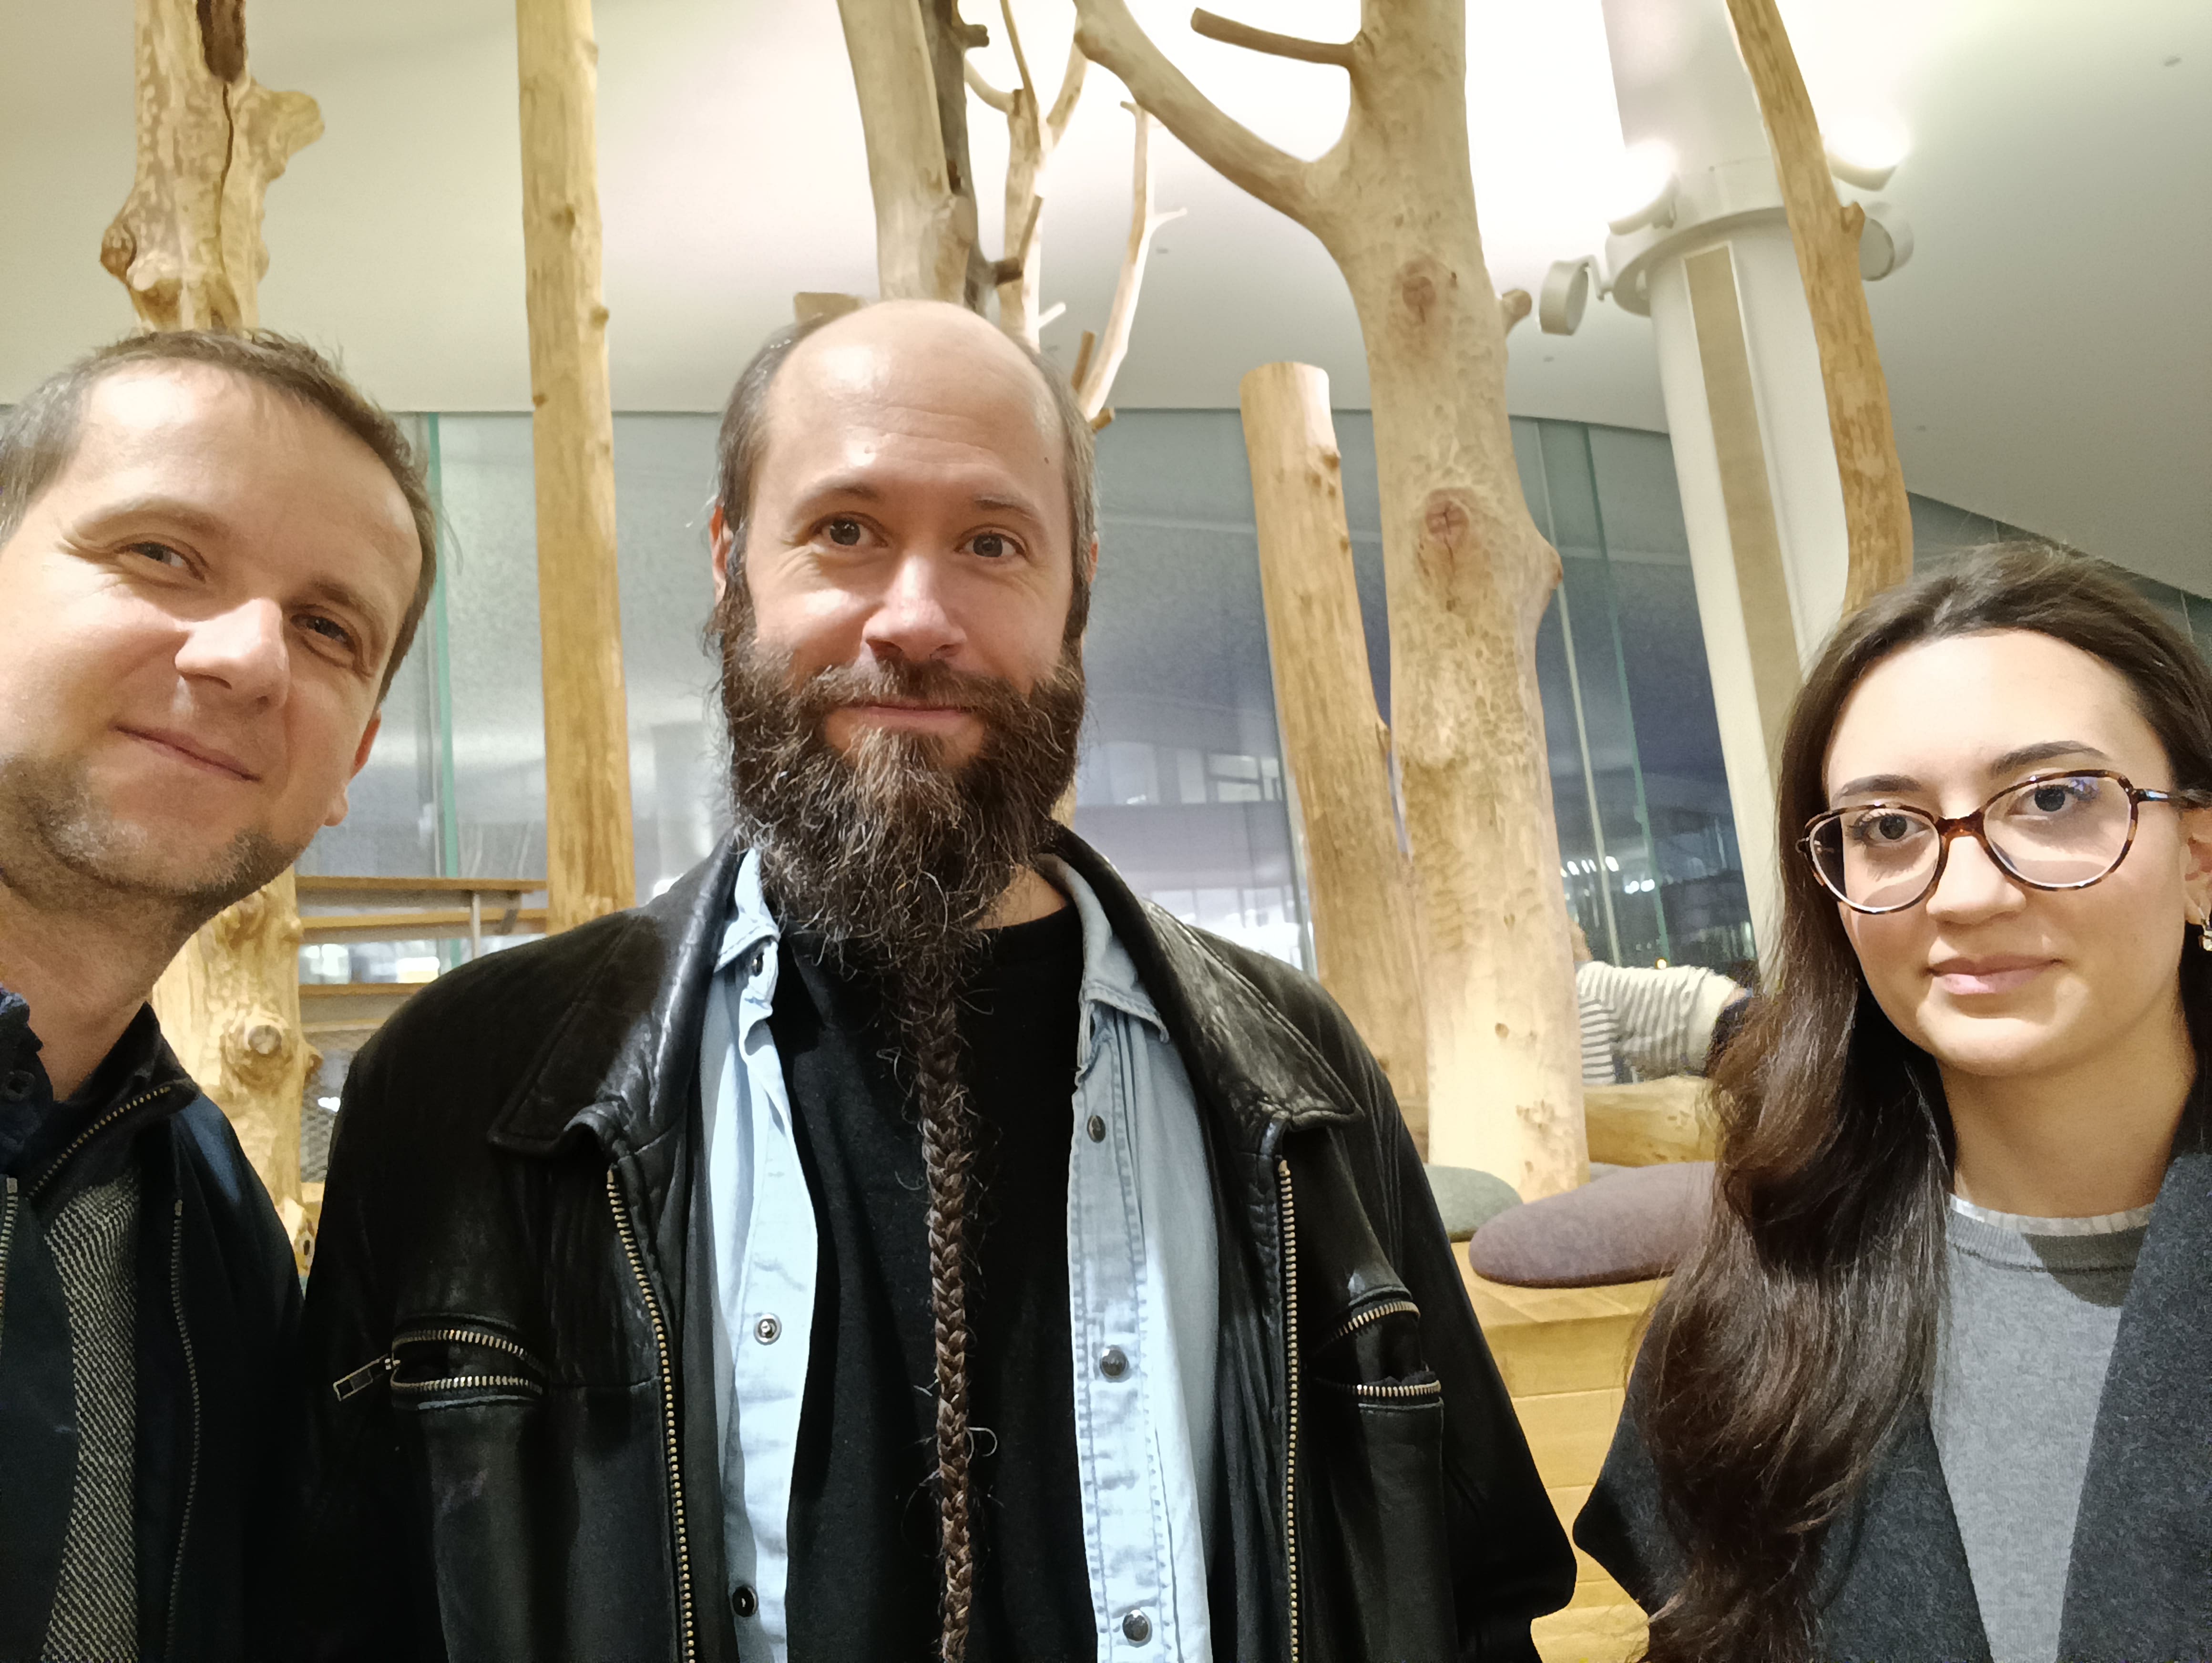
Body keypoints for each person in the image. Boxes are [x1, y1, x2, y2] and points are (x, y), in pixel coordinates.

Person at [297, 299, 1572, 1663]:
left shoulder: (1292, 1068)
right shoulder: (462, 1089)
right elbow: (341, 1608)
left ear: (1076, 591)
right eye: (844, 530)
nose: (915, 619)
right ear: (730, 565)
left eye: (990, 543)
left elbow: (1464, 1594)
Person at [1575, 545, 2212, 1662]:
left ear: (2198, 854)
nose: (1963, 892)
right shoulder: (1750, 1318)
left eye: (2051, 797)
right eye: (1884, 825)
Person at [0, 330, 435, 1661]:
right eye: (162, 554)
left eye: (327, 628)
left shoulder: (210, 1225)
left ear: (353, 761)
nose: (250, 656)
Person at [1566, 918, 1743, 1086]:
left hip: (1717, 1021)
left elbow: (1594, 1091)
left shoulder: (1582, 989)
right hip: (1719, 1012)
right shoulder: (1590, 981)